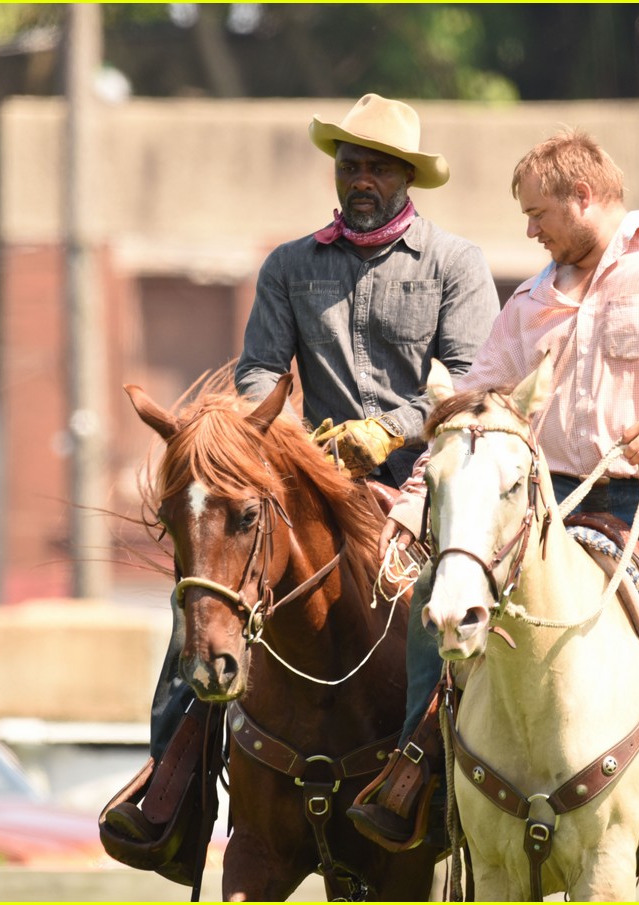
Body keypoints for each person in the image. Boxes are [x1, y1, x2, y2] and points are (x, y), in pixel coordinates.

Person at [348, 129, 639, 872]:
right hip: (562, 496)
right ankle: (419, 773)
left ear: (583, 197)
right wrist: (414, 503)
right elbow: (474, 412)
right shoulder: (530, 300)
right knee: (439, 593)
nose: (529, 230)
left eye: (538, 213)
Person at [99, 94, 499, 878]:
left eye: (376, 166)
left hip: (425, 476)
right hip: (313, 478)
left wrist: (392, 427)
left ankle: (468, 787)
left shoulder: (456, 263)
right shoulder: (289, 264)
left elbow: (474, 385)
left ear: (406, 178)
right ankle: (170, 787)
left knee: (461, 601)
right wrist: (277, 434)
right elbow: (258, 368)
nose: (360, 178)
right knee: (210, 588)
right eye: (349, 164)